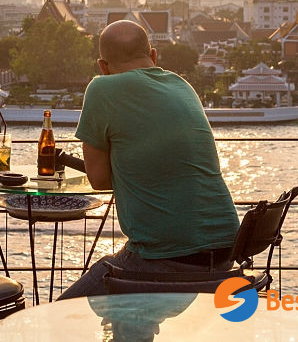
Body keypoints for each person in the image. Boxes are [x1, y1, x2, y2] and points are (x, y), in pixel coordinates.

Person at [59, 20, 239, 299]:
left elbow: (99, 180)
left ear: (102, 66)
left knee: (58, 316)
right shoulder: (181, 85)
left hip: (164, 258)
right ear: (154, 56)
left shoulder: (101, 89)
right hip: (226, 254)